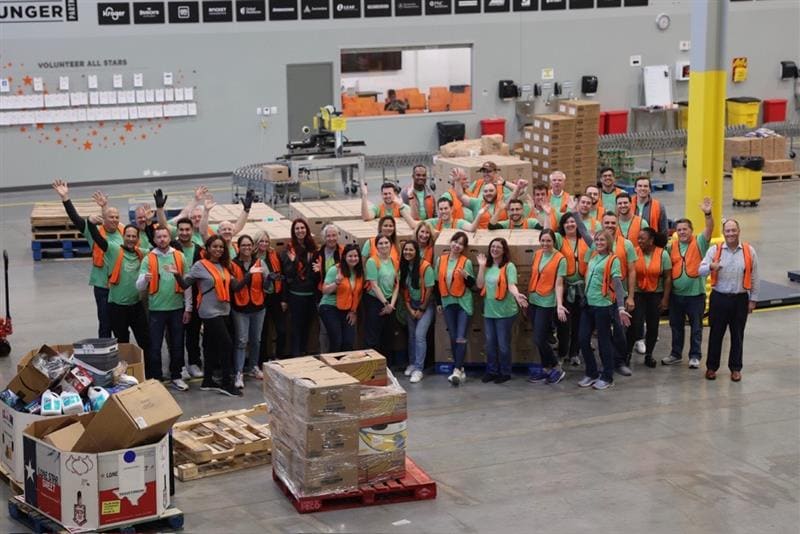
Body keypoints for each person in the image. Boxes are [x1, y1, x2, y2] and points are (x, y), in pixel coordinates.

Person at [168, 235, 255, 397]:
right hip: (209, 312)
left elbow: (235, 287)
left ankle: (207, 380)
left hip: (224, 310)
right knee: (227, 344)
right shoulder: (200, 265)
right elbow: (185, 284)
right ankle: (226, 383)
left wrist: (249, 275)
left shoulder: (224, 266)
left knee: (210, 346)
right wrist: (176, 274)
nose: (218, 249)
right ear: (208, 248)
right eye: (215, 246)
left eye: (221, 247)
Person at [52, 179, 122, 338]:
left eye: (116, 217)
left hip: (120, 286)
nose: (114, 219)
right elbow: (76, 219)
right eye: (110, 217)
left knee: (120, 324)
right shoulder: (94, 233)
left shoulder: (123, 231)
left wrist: (104, 206)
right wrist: (65, 198)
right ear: (104, 218)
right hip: (103, 286)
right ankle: (104, 355)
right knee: (105, 324)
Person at [699, 219, 760, 382]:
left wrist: (753, 299)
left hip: (740, 299)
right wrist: (711, 266)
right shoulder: (715, 250)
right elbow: (700, 270)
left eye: (734, 230)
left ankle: (735, 368)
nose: (731, 234)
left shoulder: (749, 251)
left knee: (738, 335)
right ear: (723, 233)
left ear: (739, 231)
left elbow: (754, 276)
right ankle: (711, 367)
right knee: (716, 334)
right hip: (719, 298)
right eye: (728, 231)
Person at [135, 226, 192, 390]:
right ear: (154, 240)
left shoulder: (179, 257)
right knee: (155, 345)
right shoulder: (148, 258)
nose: (162, 239)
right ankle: (156, 377)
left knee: (177, 344)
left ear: (169, 238)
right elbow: (138, 286)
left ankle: (176, 375)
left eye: (164, 236)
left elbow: (187, 285)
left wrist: (188, 308)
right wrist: (145, 279)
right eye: (158, 237)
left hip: (176, 308)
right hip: (156, 310)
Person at [86, 222, 150, 365]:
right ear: (123, 237)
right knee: (122, 343)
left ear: (138, 238)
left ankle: (150, 372)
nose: (131, 239)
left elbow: (160, 248)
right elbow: (98, 238)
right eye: (128, 236)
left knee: (145, 340)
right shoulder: (113, 249)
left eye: (134, 236)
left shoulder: (143, 253)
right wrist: (90, 223)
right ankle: (125, 372)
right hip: (117, 307)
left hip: (136, 305)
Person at [577, 230, 632, 390]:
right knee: (582, 339)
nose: (599, 242)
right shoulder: (594, 256)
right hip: (588, 305)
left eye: (602, 240)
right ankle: (592, 373)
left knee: (604, 342)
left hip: (603, 307)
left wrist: (621, 307)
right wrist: (574, 214)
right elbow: (587, 236)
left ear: (609, 243)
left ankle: (607, 377)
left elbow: (618, 285)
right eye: (597, 240)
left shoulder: (613, 260)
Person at [663, 198, 714, 368]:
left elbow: (709, 229)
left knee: (696, 327)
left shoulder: (699, 242)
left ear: (691, 230)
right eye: (679, 230)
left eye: (685, 229)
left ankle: (695, 356)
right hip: (676, 296)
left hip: (695, 296)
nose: (682, 232)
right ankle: (676, 354)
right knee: (676, 326)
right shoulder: (672, 246)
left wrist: (708, 213)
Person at [476, 238, 527, 384]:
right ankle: (492, 371)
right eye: (493, 246)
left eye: (498, 247)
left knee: (503, 345)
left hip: (505, 313)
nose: (495, 249)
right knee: (490, 344)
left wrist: (517, 295)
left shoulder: (509, 266)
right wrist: (481, 266)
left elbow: (511, 285)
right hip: (489, 312)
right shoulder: (487, 266)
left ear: (504, 250)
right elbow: (480, 285)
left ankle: (505, 372)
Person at [595, 211, 639, 376]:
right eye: (607, 223)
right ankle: (607, 362)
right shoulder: (597, 244)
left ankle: (620, 362)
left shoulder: (626, 244)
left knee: (620, 331)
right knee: (603, 332)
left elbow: (632, 271)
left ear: (618, 224)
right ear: (602, 223)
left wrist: (631, 296)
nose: (610, 226)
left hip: (618, 298)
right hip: (601, 298)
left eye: (613, 223)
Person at [548, 210, 592, 367]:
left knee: (580, 325)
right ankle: (562, 353)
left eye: (573, 222)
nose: (570, 224)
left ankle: (574, 353)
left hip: (583, 289)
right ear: (563, 225)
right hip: (565, 288)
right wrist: (548, 214)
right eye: (567, 222)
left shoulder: (585, 240)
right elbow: (548, 235)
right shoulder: (560, 239)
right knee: (563, 324)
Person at [526, 230, 569, 385]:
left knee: (539, 338)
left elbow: (559, 284)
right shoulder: (537, 254)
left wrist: (559, 305)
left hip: (547, 301)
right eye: (542, 241)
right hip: (534, 299)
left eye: (548, 241)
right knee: (540, 338)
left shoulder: (560, 259)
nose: (545, 244)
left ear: (554, 242)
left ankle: (557, 368)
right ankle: (546, 369)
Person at [626, 228, 672, 368]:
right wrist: (631, 296)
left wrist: (665, 298)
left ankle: (649, 355)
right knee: (635, 325)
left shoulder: (662, 254)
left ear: (651, 240)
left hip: (655, 294)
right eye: (638, 238)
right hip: (638, 293)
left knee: (653, 326)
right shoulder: (634, 252)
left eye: (642, 239)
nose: (639, 241)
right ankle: (627, 353)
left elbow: (668, 277)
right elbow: (630, 275)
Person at [435, 231, 475, 386]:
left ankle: (457, 370)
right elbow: (437, 282)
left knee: (460, 337)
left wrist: (467, 277)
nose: (457, 246)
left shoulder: (467, 262)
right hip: (447, 302)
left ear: (463, 248)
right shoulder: (441, 260)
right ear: (450, 242)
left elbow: (473, 286)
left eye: (461, 244)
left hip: (463, 303)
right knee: (453, 336)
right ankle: (461, 368)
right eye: (455, 242)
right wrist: (438, 303)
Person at [167, 217, 205, 380]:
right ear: (177, 231)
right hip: (173, 297)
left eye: (187, 230)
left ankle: (194, 363)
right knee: (175, 336)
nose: (184, 233)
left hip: (194, 298)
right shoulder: (170, 249)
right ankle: (178, 366)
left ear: (192, 231)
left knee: (193, 333)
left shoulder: (199, 250)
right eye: (181, 230)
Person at [230, 235, 267, 389]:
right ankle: (239, 372)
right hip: (240, 308)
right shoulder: (232, 265)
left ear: (253, 247)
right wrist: (249, 274)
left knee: (256, 340)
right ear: (238, 247)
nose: (247, 248)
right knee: (241, 340)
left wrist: (269, 278)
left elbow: (266, 285)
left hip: (258, 307)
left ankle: (253, 367)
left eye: (249, 245)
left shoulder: (260, 262)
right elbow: (235, 287)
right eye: (243, 245)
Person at [281, 218, 319, 356]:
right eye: (297, 228)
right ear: (293, 231)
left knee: (307, 326)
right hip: (296, 295)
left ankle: (303, 351)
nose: (300, 231)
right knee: (296, 327)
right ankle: (295, 354)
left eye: (302, 228)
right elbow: (287, 274)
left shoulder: (313, 249)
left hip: (311, 294)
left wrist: (319, 269)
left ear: (307, 230)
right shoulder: (289, 250)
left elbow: (316, 274)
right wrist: (293, 262)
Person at [399, 241, 435, 383]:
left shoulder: (425, 267)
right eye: (405, 250)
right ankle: (413, 363)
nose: (408, 252)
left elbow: (430, 289)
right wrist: (409, 308)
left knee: (420, 335)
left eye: (411, 250)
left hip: (425, 305)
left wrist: (421, 309)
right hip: (411, 304)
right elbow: (404, 290)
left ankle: (419, 369)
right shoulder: (404, 267)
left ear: (417, 252)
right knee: (412, 335)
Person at [319, 244, 364, 352]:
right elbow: (324, 290)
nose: (353, 258)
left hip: (347, 309)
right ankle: (333, 366)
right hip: (329, 307)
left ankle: (345, 365)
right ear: (344, 257)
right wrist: (336, 283)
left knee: (348, 341)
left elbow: (358, 294)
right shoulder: (335, 270)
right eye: (350, 256)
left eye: (356, 256)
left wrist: (353, 311)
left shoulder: (359, 273)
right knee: (336, 340)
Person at [363, 234, 400, 362]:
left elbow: (396, 285)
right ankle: (372, 365)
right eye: (381, 243)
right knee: (373, 335)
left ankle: (387, 365)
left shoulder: (394, 261)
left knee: (388, 335)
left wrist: (391, 305)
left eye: (386, 243)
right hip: (375, 301)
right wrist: (385, 303)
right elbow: (374, 285)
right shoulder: (372, 261)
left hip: (390, 302)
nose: (384, 246)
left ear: (391, 245)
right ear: (376, 246)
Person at [254, 230, 287, 364]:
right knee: (263, 332)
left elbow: (282, 276)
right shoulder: (252, 257)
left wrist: (284, 299)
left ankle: (279, 356)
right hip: (260, 298)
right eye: (261, 241)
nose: (264, 244)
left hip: (275, 297)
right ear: (256, 242)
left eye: (266, 241)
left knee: (282, 330)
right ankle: (263, 360)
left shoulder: (273, 255)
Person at [313, 224, 344, 353]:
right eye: (328, 236)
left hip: (341, 295)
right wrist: (316, 272)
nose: (331, 238)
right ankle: (325, 356)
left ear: (338, 236)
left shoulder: (343, 252)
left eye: (334, 235)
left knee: (339, 330)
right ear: (324, 238)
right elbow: (313, 277)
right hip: (324, 296)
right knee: (325, 330)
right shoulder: (318, 253)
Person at [199, 190, 253, 257]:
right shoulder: (214, 247)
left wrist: (246, 210)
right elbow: (203, 233)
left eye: (229, 229)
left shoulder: (236, 248)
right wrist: (206, 211)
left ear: (233, 231)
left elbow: (239, 226)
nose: (227, 231)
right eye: (224, 229)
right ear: (218, 232)